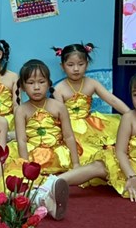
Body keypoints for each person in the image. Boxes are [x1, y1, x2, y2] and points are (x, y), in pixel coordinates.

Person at [52, 43, 129, 183]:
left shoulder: (91, 83)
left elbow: (112, 100)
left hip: (90, 124)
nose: (76, 69)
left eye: (80, 64)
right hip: (69, 127)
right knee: (81, 151)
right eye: (70, 65)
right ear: (62, 66)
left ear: (87, 64)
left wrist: (130, 115)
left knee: (112, 143)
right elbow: (59, 116)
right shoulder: (59, 89)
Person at [15, 59, 80, 175]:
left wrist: (76, 164)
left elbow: (69, 136)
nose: (36, 87)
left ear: (49, 84)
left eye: (41, 82)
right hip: (32, 156)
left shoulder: (59, 107)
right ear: (23, 87)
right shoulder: (21, 111)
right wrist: (26, 166)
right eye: (31, 83)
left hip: (57, 155)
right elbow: (21, 140)